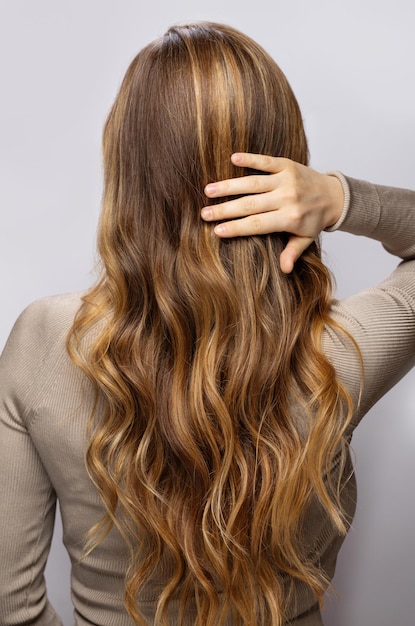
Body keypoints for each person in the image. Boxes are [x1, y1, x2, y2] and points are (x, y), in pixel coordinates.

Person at [0, 21, 414, 626]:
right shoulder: (338, 354)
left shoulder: (44, 341)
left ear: (127, 168)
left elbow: (12, 605)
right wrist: (343, 198)